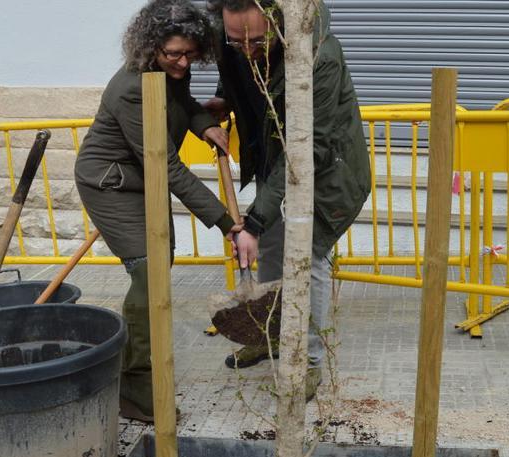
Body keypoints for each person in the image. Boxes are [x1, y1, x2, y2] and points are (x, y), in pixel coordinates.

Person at [74, 0, 239, 423]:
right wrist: (227, 222)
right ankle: (133, 385)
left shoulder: (169, 73)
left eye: (190, 54)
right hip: (110, 183)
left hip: (141, 174)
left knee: (160, 263)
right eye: (174, 54)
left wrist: (205, 124)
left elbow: (181, 104)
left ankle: (136, 367)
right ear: (151, 48)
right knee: (148, 272)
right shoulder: (132, 87)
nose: (184, 62)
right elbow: (166, 165)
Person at [204, 0, 370, 400]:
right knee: (274, 252)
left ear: (280, 23)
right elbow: (236, 73)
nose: (246, 49)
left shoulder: (321, 56)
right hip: (273, 160)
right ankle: (271, 334)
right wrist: (222, 101)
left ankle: (310, 362)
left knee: (306, 258)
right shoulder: (230, 38)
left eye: (257, 42)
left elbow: (306, 147)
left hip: (327, 171)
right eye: (235, 41)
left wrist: (255, 222)